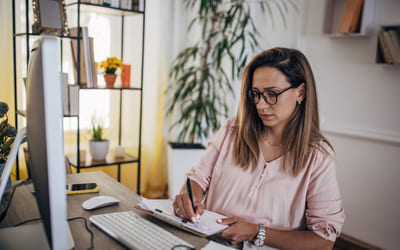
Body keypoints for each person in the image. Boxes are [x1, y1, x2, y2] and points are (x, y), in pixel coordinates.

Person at [173, 47, 345, 249]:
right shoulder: (232, 130)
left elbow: (324, 241)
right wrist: (189, 196)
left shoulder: (318, 157)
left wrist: (257, 231)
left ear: (301, 92)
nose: (261, 105)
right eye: (256, 94)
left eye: (272, 94)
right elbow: (198, 178)